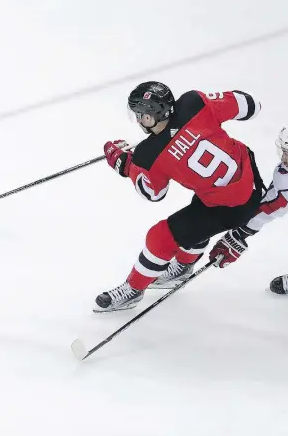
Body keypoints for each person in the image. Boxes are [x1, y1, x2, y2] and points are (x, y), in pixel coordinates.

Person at [95, 81, 264, 312]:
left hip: (228, 208)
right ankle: (183, 267)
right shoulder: (194, 103)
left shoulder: (147, 154)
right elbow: (250, 105)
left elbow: (153, 193)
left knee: (160, 236)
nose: (138, 120)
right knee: (196, 216)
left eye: (141, 115)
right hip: (252, 180)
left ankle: (132, 290)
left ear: (152, 116)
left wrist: (126, 166)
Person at [208, 126, 288, 294]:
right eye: (283, 152)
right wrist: (240, 233)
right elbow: (270, 207)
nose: (283, 158)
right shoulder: (287, 179)